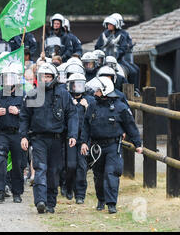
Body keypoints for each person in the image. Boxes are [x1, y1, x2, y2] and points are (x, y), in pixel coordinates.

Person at [20, 63, 78, 213]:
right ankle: (40, 200)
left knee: (53, 171)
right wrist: (23, 136)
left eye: (48, 76)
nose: (45, 79)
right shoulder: (32, 94)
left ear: (54, 77)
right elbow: (25, 117)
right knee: (40, 168)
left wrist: (72, 134)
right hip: (38, 138)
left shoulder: (63, 94)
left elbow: (72, 114)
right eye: (42, 76)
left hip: (57, 139)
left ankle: (51, 203)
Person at [80, 76, 143, 214]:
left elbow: (130, 126)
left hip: (113, 145)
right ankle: (101, 200)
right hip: (96, 146)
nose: (95, 92)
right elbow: (86, 125)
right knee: (98, 175)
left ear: (105, 90)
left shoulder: (120, 107)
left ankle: (111, 203)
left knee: (111, 173)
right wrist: (84, 142)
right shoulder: (93, 106)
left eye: (97, 90)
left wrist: (137, 143)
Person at [0, 64, 25, 203]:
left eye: (10, 78)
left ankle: (17, 193)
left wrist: (19, 112)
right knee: (0, 161)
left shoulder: (23, 94)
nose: (7, 81)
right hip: (2, 133)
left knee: (18, 163)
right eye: (5, 78)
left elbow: (29, 115)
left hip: (17, 133)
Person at [63, 73, 95, 204]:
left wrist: (87, 107)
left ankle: (80, 194)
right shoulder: (66, 99)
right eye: (74, 84)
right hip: (70, 138)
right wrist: (74, 105)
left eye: (79, 84)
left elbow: (93, 120)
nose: (77, 87)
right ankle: (68, 187)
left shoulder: (89, 100)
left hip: (83, 139)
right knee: (70, 165)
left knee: (82, 166)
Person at [95, 16, 140, 96]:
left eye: (111, 24)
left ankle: (135, 90)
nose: (109, 26)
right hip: (104, 60)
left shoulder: (123, 34)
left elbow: (124, 48)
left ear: (116, 25)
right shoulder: (104, 34)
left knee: (134, 71)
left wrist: (117, 55)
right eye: (108, 24)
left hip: (118, 60)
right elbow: (97, 46)